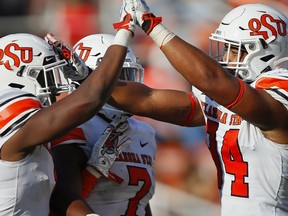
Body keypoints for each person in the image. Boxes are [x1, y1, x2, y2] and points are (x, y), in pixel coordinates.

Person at [111, 1, 288, 216]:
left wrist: (152, 26)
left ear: (264, 52)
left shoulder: (278, 91)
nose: (225, 58)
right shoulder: (235, 96)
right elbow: (145, 99)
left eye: (234, 50)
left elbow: (211, 79)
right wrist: (87, 80)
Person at [0, 7, 135, 215]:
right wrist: (125, 31)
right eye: (48, 78)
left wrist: (93, 171)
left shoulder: (28, 134)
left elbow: (49, 202)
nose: (55, 89)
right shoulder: (10, 111)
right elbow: (90, 99)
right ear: (17, 79)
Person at [49, 33, 157, 216]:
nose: (127, 88)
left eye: (128, 77)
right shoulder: (74, 126)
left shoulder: (144, 132)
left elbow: (140, 201)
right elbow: (61, 198)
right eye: (118, 80)